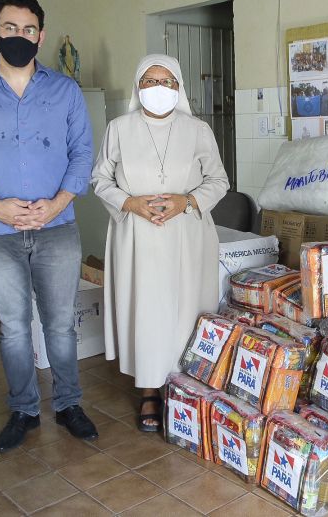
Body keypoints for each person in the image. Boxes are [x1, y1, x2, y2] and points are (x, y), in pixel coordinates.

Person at [0, 0, 98, 453]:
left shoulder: (64, 90)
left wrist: (55, 204)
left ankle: (69, 404)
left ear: (41, 35)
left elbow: (82, 154)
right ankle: (24, 410)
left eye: (28, 30)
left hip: (57, 228)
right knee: (13, 328)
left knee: (61, 326)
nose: (19, 37)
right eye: (10, 28)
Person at [92, 54, 229, 431]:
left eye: (166, 81)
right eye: (149, 81)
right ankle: (150, 390)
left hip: (188, 234)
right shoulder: (118, 128)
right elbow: (100, 180)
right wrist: (129, 202)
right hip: (137, 236)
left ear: (179, 87)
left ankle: (185, 386)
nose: (158, 89)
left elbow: (219, 181)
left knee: (187, 309)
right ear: (138, 87)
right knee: (147, 311)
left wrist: (185, 201)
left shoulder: (198, 129)